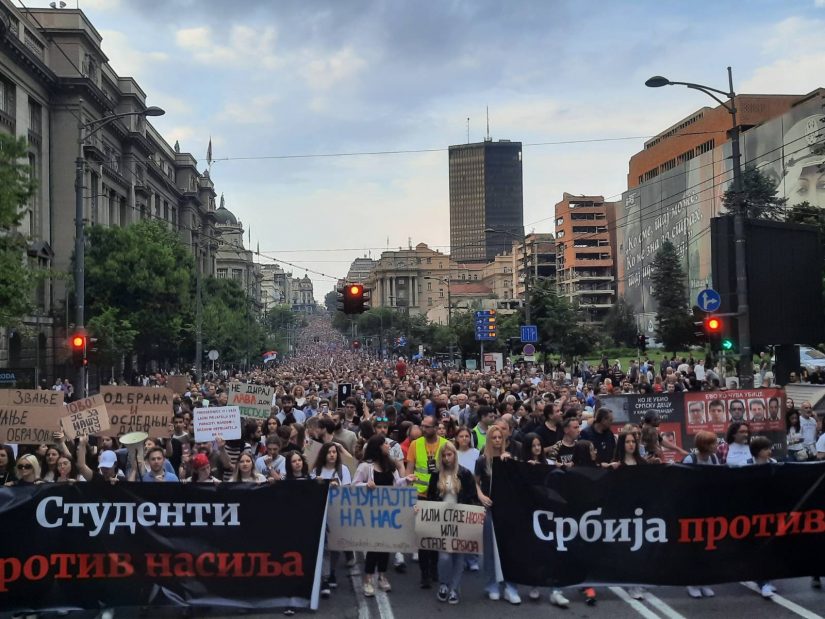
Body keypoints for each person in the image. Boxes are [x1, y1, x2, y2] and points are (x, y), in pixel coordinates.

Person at [353, 435, 413, 597]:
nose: (388, 446)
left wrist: (406, 479)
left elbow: (395, 485)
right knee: (374, 546)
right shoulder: (365, 467)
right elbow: (354, 486)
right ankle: (368, 578)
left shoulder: (390, 465)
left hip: (388, 512)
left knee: (386, 545)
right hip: (371, 514)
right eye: (385, 444)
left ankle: (382, 575)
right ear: (378, 447)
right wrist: (366, 485)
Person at [425, 441, 478, 606]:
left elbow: (472, 497)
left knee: (458, 557)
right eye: (444, 455)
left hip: (460, 520)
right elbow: (431, 497)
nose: (447, 458)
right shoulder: (436, 474)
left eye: (450, 454)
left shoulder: (465, 474)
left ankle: (454, 588)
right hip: (441, 520)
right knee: (445, 556)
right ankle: (444, 584)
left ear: (455, 455)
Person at [475, 425, 521, 605]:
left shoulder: (509, 459)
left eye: (499, 437)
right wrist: (480, 495)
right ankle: (491, 584)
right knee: (489, 549)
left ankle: (511, 587)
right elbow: (475, 482)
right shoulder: (481, 461)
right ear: (488, 440)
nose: (496, 440)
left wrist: (509, 463)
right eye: (493, 437)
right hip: (489, 508)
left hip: (507, 508)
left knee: (509, 548)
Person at [406, 416, 448, 589]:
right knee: (423, 538)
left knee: (437, 537)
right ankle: (425, 574)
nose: (423, 429)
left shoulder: (446, 444)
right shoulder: (415, 445)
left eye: (427, 427)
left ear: (436, 427)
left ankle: (434, 568)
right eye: (422, 426)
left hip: (439, 495)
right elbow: (410, 469)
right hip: (420, 495)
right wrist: (408, 491)